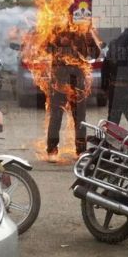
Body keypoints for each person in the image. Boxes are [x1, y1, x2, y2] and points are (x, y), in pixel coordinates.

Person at [46, 27, 101, 162]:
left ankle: (81, 151)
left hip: (77, 83)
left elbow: (95, 54)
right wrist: (58, 42)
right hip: (59, 82)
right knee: (56, 117)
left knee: (80, 118)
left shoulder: (82, 33)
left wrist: (90, 40)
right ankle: (52, 150)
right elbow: (45, 49)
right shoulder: (55, 31)